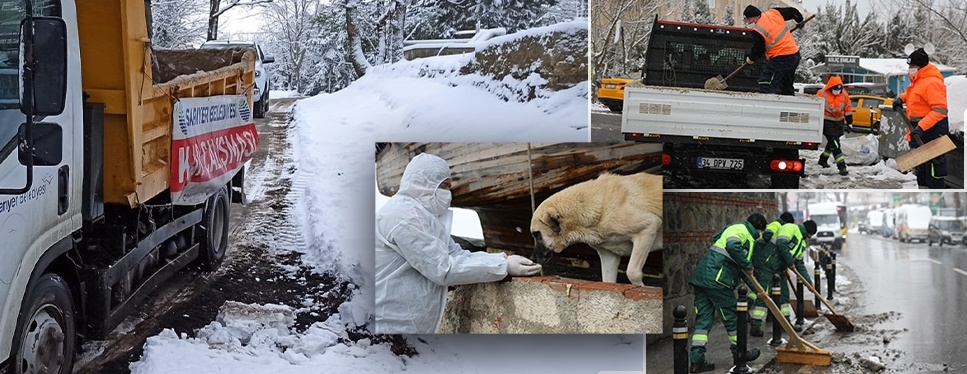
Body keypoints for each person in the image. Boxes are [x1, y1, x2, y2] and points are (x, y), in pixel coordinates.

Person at [375, 153, 542, 334]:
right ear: (423, 183)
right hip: (390, 325)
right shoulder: (405, 217)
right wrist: (503, 266)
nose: (448, 193)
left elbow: (456, 254)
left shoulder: (422, 216)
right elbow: (443, 268)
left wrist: (502, 259)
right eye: (444, 186)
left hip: (405, 326)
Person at [688, 213, 767, 373]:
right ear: (759, 229)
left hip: (703, 278)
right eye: (760, 232)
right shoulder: (743, 231)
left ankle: (697, 361)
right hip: (718, 281)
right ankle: (740, 354)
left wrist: (758, 290)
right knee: (733, 319)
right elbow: (734, 248)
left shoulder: (736, 229)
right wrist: (747, 264)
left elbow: (744, 271)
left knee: (703, 322)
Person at [892, 48, 949, 189]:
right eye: (909, 66)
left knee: (934, 171)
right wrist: (901, 98)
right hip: (920, 131)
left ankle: (937, 199)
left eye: (912, 67)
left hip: (932, 131)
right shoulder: (919, 81)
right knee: (922, 170)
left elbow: (940, 110)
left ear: (921, 66)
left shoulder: (932, 82)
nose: (910, 69)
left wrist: (921, 127)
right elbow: (916, 96)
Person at [743, 5, 804, 96]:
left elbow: (758, 50)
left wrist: (751, 59)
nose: (748, 23)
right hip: (794, 55)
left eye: (749, 20)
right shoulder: (773, 13)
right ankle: (788, 105)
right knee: (786, 85)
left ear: (755, 17)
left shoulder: (758, 30)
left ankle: (770, 105)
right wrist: (800, 20)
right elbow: (792, 12)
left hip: (782, 58)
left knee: (765, 82)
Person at [748, 212, 792, 337]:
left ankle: (783, 322)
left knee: (777, 293)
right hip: (765, 262)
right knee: (764, 293)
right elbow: (767, 235)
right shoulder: (776, 225)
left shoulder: (782, 228)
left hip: (774, 265)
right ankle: (755, 324)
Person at [816, 75, 853, 176]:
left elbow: (848, 108)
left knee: (832, 143)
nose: (837, 91)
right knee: (836, 144)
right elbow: (817, 108)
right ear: (830, 87)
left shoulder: (844, 94)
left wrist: (850, 122)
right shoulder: (822, 93)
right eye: (835, 89)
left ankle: (823, 159)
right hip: (827, 122)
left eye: (839, 89)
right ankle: (842, 167)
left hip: (839, 123)